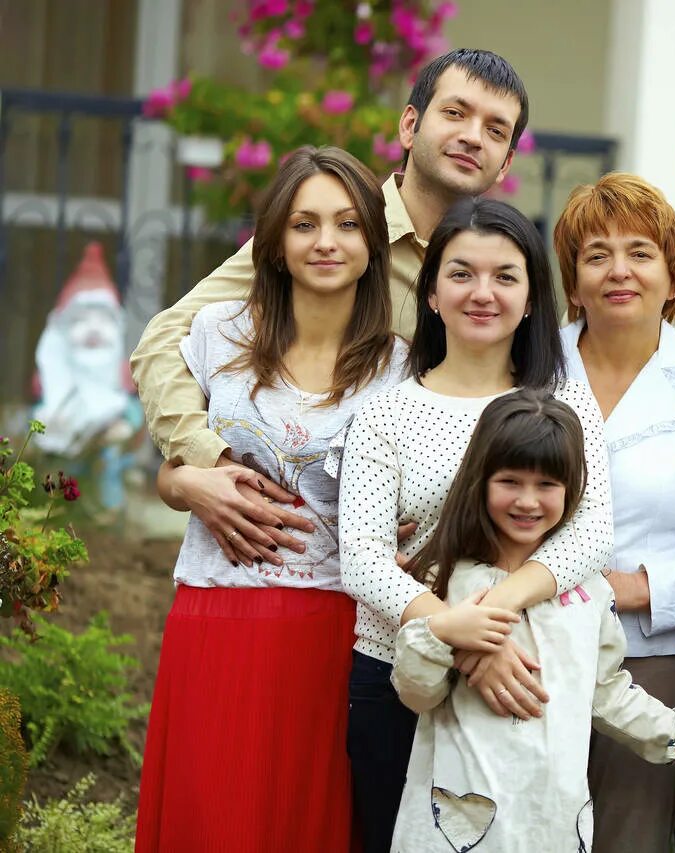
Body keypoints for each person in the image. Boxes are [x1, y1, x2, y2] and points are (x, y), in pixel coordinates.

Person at [129, 47, 529, 562]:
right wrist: (207, 460)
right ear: (410, 125)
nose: (473, 136)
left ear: (506, 163)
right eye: (455, 113)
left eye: (496, 130)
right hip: (278, 565)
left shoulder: (498, 277)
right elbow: (166, 337)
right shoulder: (327, 233)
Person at [134, 146, 409, 852]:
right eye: (305, 224)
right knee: (211, 817)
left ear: (373, 242)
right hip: (215, 615)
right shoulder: (216, 332)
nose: (326, 242)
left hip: (333, 630)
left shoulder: (403, 370)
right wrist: (189, 481)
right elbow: (169, 474)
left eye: (348, 224)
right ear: (275, 243)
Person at [337, 197, 613, 851]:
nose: (481, 292)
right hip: (399, 677)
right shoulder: (387, 413)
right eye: (461, 273)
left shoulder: (564, 399)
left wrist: (487, 628)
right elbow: (363, 555)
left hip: (526, 674)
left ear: (530, 295)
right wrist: (451, 633)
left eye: (505, 275)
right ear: (431, 293)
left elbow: (593, 528)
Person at [391, 390, 675, 852]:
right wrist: (441, 633)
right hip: (458, 826)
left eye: (547, 485)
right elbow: (415, 692)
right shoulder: (445, 577)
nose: (528, 501)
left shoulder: (591, 590)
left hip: (551, 822)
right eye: (510, 481)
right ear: (481, 479)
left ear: (572, 489)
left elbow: (605, 691)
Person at [552, 172, 675, 852]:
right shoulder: (527, 369)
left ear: (672, 273)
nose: (618, 270)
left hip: (659, 662)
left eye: (640, 251)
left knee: (631, 840)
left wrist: (637, 588)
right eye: (596, 253)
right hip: (528, 649)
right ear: (572, 280)